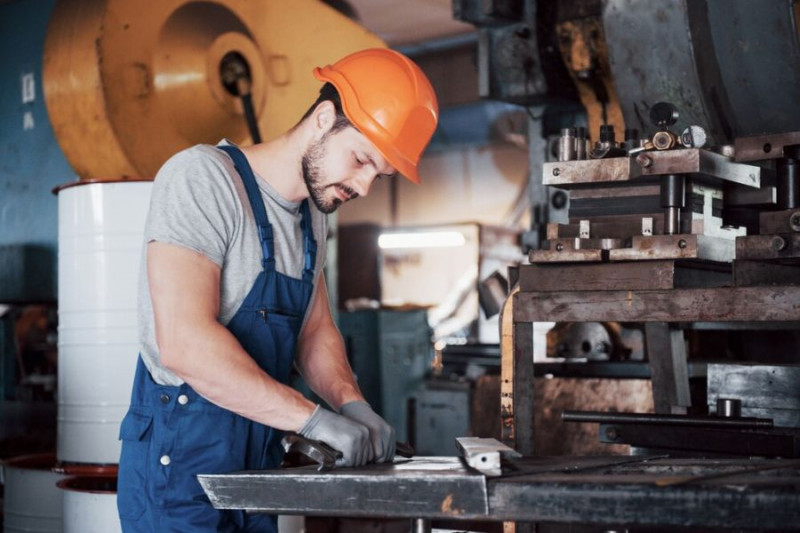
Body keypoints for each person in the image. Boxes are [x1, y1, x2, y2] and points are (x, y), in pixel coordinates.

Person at [116, 48, 439, 532]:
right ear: (324, 118)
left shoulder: (312, 218)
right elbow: (184, 344)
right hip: (178, 469)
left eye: (380, 174)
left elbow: (315, 332)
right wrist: (312, 419)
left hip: (255, 466)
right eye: (361, 160)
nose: (366, 186)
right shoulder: (203, 179)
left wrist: (353, 404)